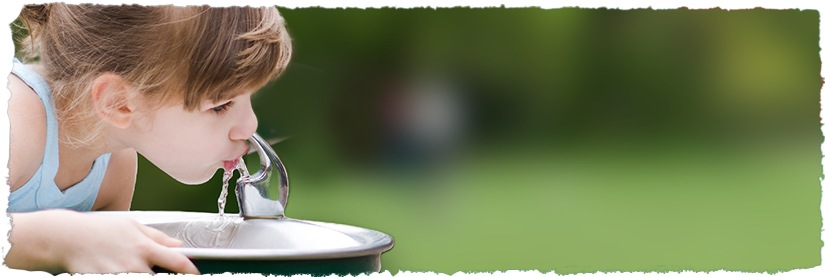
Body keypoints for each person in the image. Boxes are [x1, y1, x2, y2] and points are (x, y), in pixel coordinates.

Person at [0, 0, 292, 275]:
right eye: (220, 105)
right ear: (118, 103)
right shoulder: (12, 115)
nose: (250, 125)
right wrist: (62, 238)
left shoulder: (115, 164)